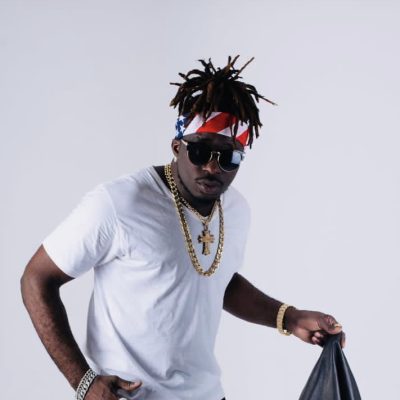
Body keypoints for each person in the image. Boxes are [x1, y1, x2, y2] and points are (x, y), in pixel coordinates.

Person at [21, 56, 344, 400]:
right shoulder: (119, 203)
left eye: (228, 157)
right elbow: (36, 279)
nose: (212, 167)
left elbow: (215, 281)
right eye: (201, 151)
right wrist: (83, 382)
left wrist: (289, 317)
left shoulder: (236, 210)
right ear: (177, 147)